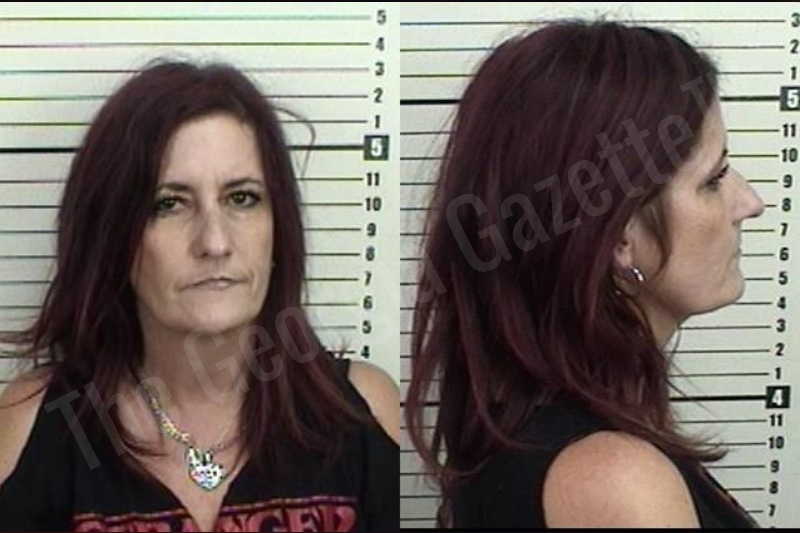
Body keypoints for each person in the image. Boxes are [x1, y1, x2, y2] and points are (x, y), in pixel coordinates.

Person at [0, 59, 400, 532]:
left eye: (242, 198)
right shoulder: (36, 428)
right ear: (112, 236)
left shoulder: (364, 412)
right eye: (169, 204)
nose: (215, 241)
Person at [404, 19, 765, 529]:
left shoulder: (549, 442)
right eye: (714, 178)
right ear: (618, 237)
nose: (750, 203)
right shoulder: (613, 481)